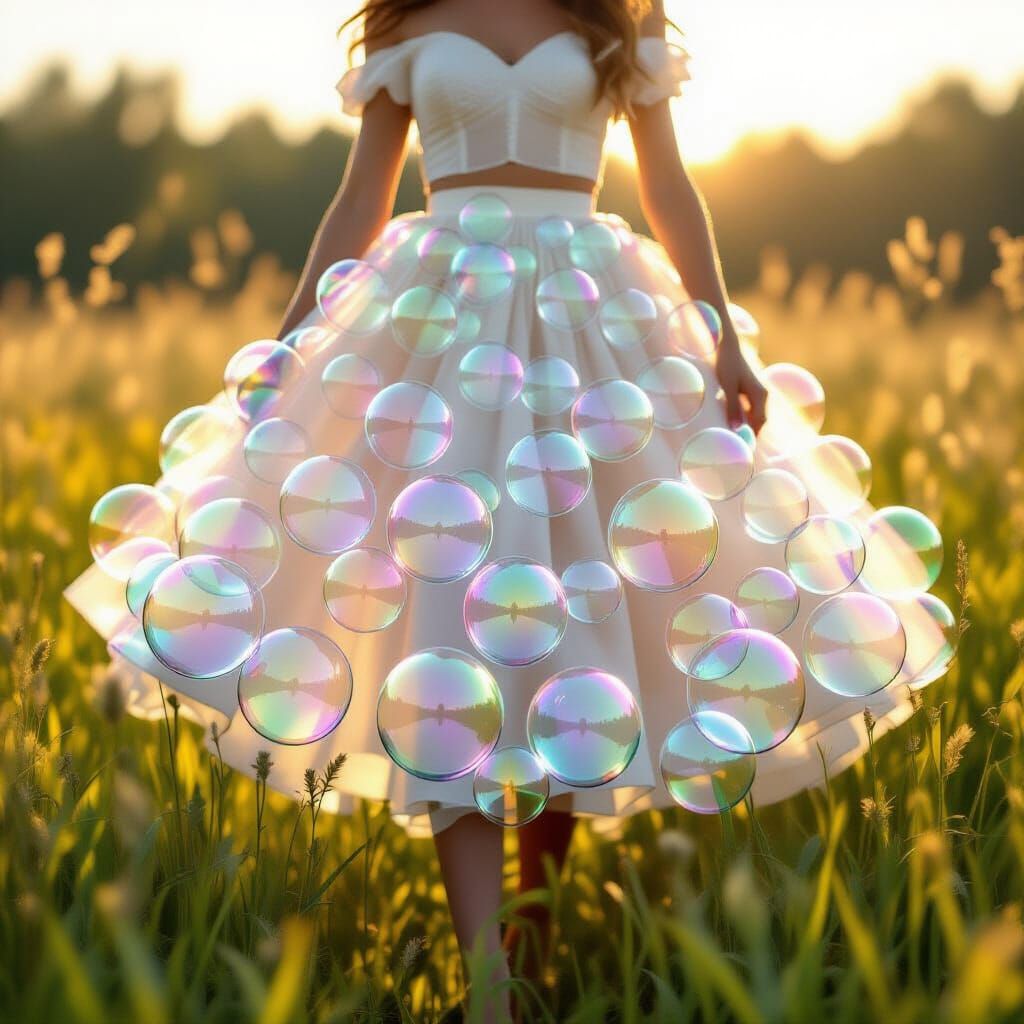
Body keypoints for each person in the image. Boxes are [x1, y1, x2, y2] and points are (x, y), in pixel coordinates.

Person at [65, 1, 952, 1020]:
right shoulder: (413, 19)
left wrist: (723, 335)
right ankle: (490, 990)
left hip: (591, 322)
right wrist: (288, 341)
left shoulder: (615, 22)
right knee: (449, 636)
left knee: (575, 636)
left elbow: (670, 187)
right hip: (439, 318)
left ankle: (528, 936)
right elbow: (362, 195)